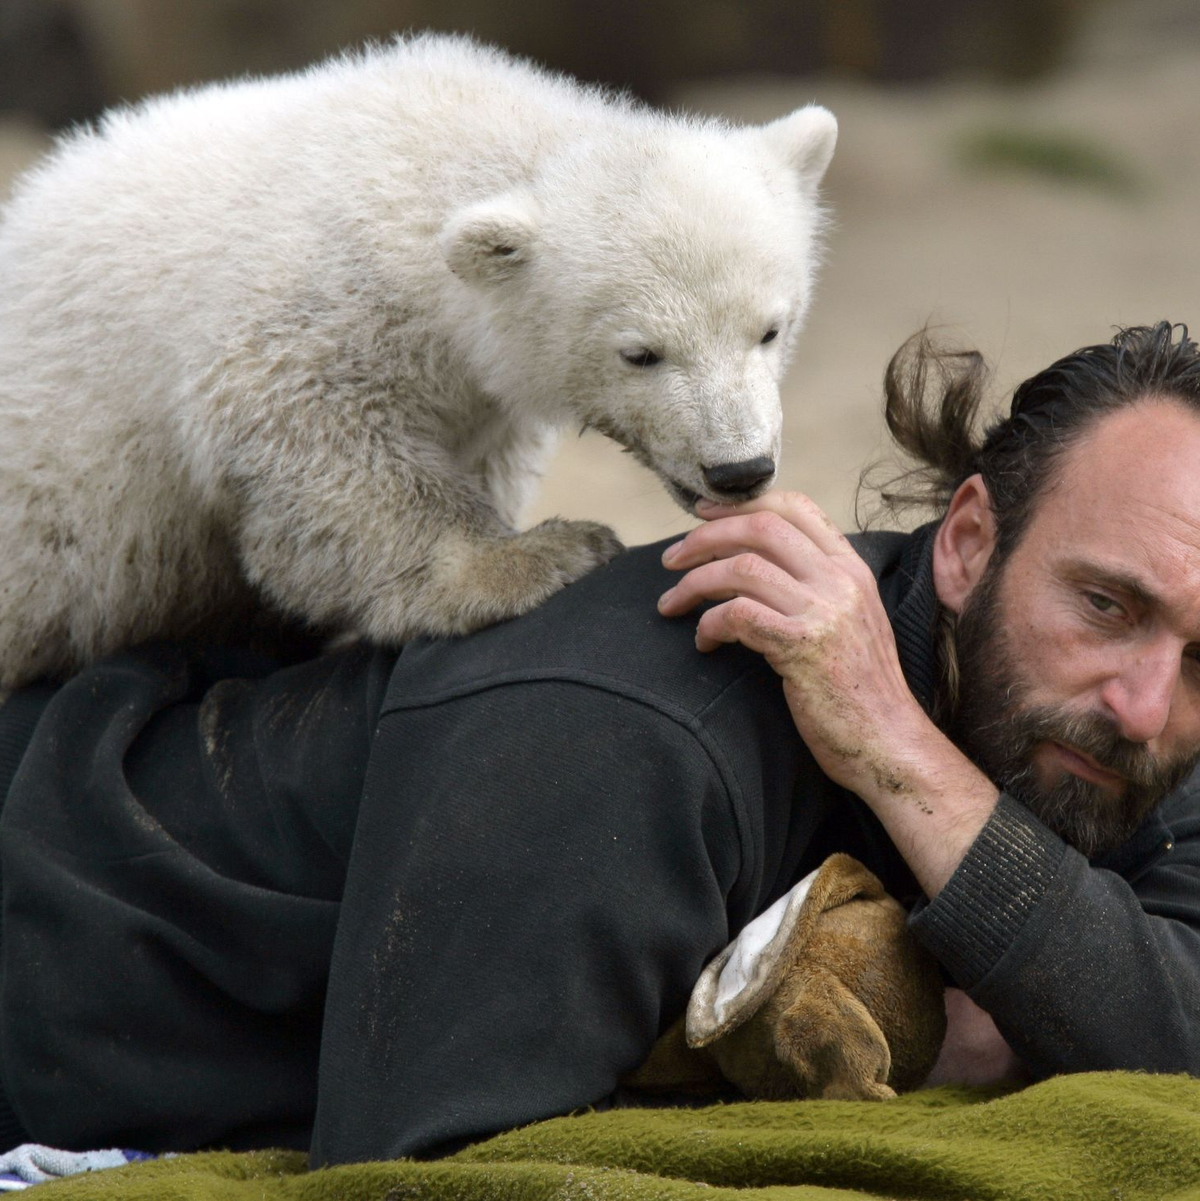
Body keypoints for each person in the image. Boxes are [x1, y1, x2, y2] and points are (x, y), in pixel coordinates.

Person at [1, 321, 1200, 1167]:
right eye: (1105, 605)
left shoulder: (1125, 740)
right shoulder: (642, 725)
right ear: (969, 543)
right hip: (55, 951)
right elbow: (432, 1167)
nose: (1145, 703)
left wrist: (905, 758)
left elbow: (1175, 1030)